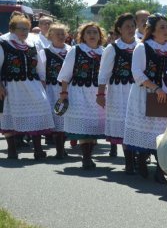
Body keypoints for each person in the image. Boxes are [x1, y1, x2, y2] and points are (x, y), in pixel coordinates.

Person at [122, 14, 167, 183]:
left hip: (164, 95)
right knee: (146, 130)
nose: (166, 31)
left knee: (162, 133)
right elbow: (137, 73)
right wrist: (155, 87)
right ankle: (141, 162)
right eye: (162, 28)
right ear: (152, 31)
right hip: (144, 94)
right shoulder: (142, 48)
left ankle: (160, 170)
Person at [0, 14, 54, 160]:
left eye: (27, 29)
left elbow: (39, 64)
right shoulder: (3, 43)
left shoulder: (31, 44)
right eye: (21, 29)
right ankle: (12, 150)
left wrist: (42, 80)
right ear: (12, 29)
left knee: (40, 110)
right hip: (12, 86)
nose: (25, 32)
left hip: (32, 84)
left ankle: (38, 149)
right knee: (10, 116)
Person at [57, 22, 106, 169]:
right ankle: (86, 157)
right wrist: (64, 93)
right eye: (88, 32)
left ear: (100, 36)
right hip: (79, 92)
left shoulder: (104, 52)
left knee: (93, 126)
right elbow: (65, 74)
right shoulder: (76, 50)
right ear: (83, 36)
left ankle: (88, 156)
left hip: (98, 93)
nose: (92, 35)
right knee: (84, 125)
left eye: (95, 32)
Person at [97, 13, 137, 165]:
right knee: (124, 125)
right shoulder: (112, 48)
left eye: (133, 26)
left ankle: (137, 158)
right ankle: (129, 162)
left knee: (137, 123)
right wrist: (101, 93)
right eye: (127, 26)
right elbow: (104, 73)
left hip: (137, 91)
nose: (131, 29)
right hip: (118, 91)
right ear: (119, 29)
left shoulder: (141, 46)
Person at [44, 23, 72, 159]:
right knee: (57, 117)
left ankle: (63, 147)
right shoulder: (44, 52)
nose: (61, 37)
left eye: (63, 34)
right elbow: (41, 73)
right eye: (57, 34)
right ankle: (59, 150)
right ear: (50, 36)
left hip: (70, 88)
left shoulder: (72, 50)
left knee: (67, 118)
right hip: (52, 88)